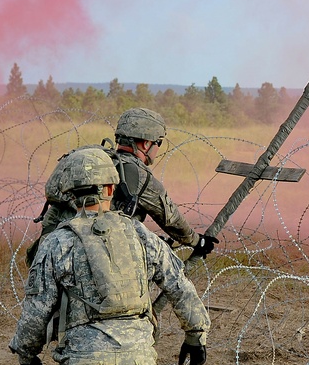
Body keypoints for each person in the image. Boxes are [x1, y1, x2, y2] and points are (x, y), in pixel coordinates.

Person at [0, 146, 211, 365]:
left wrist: (26, 353)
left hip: (85, 359)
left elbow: (37, 308)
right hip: (138, 358)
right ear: (111, 189)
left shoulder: (57, 242)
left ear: (68, 193)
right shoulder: (142, 236)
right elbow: (179, 285)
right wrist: (195, 334)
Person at [26, 107, 217, 267]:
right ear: (146, 143)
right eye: (158, 143)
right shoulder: (139, 176)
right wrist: (197, 241)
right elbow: (171, 220)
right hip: (98, 261)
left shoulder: (92, 161)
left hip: (50, 252)